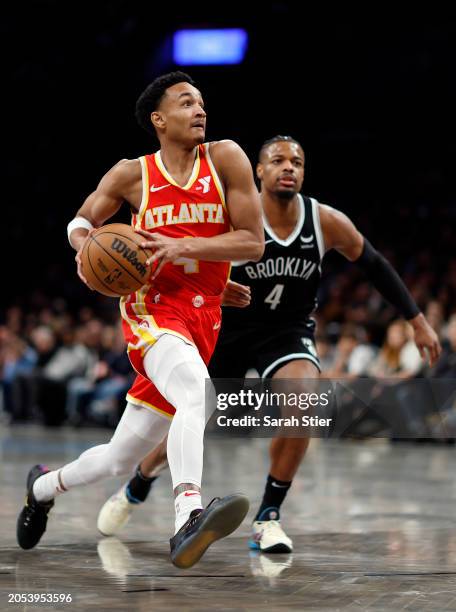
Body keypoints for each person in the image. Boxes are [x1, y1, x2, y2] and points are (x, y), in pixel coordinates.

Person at [96, 135, 441, 553]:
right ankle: (139, 480)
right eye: (278, 160)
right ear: (258, 171)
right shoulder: (231, 216)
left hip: (286, 332)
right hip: (226, 330)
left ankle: (268, 517)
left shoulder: (323, 220)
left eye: (297, 161)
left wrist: (417, 320)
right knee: (191, 423)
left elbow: (374, 263)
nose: (289, 167)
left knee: (303, 406)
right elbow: (182, 261)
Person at [16, 71, 264, 569]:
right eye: (186, 103)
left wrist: (200, 268)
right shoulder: (132, 173)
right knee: (199, 395)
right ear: (159, 119)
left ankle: (41, 487)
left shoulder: (227, 157)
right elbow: (82, 222)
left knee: (117, 458)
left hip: (203, 318)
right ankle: (188, 517)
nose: (200, 110)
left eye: (202, 103)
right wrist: (91, 251)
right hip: (150, 314)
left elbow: (252, 242)